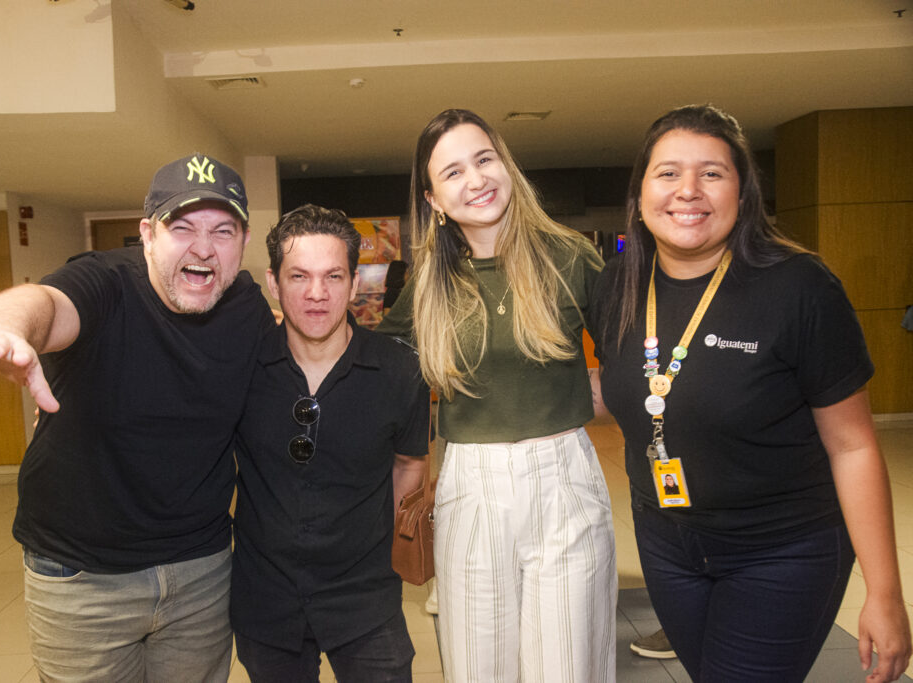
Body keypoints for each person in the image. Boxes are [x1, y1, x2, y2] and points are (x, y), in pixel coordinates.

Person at [591, 104, 912, 682]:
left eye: (712, 173)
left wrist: (885, 594)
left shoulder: (799, 287)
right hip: (667, 546)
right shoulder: (618, 285)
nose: (688, 190)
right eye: (668, 173)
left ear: (743, 193)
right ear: (641, 192)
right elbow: (624, 385)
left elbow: (854, 446)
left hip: (783, 549)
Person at [0, 154, 274, 681]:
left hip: (200, 572)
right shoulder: (104, 284)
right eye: (182, 227)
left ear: (242, 243)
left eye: (223, 230)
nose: (204, 247)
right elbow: (43, 303)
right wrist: (5, 326)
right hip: (81, 576)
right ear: (148, 235)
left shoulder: (246, 308)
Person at [378, 109, 616, 682]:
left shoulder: (569, 256)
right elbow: (376, 369)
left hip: (564, 479)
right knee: (480, 667)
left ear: (505, 165)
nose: (476, 179)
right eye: (453, 172)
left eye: (484, 159)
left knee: (568, 668)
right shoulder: (430, 283)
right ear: (434, 199)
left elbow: (633, 365)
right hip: (470, 485)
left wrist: (576, 399)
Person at [230, 204, 430, 682]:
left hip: (365, 600)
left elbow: (410, 465)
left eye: (333, 276)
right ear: (274, 284)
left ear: (355, 283)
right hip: (266, 599)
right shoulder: (239, 370)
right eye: (299, 277)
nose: (316, 294)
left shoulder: (400, 371)